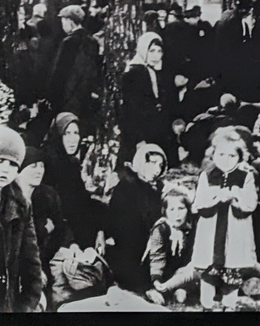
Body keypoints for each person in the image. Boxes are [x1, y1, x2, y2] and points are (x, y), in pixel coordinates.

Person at [0, 126, 43, 313]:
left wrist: (26, 305)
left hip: (6, 305)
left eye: (13, 164)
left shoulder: (20, 205)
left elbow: (32, 265)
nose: (6, 169)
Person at [190, 127, 259, 309]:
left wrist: (236, 196)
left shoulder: (246, 177)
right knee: (208, 269)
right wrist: (215, 197)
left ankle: (229, 305)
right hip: (211, 230)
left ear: (240, 157)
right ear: (213, 155)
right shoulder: (207, 176)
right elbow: (198, 203)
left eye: (231, 156)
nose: (226, 160)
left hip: (234, 231)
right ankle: (207, 304)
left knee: (232, 269)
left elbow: (251, 203)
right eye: (221, 155)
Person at [102, 141, 166, 294]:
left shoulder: (154, 188)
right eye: (152, 163)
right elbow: (123, 231)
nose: (156, 169)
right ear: (141, 162)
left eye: (160, 165)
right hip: (128, 251)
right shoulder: (127, 187)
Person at [118, 30, 178, 165]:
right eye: (151, 51)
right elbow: (130, 110)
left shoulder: (159, 72)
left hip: (158, 131)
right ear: (143, 50)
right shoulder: (134, 74)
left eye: (159, 51)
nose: (156, 56)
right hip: (141, 132)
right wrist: (138, 138)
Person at [40, 112, 97, 247]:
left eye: (76, 133)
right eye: (67, 133)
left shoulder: (71, 164)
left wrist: (100, 230)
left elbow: (83, 203)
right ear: (58, 135)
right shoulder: (47, 164)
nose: (73, 139)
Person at [14, 146, 74, 265]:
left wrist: (71, 245)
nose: (39, 171)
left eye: (41, 166)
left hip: (49, 259)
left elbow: (61, 227)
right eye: (33, 166)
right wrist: (45, 230)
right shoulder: (10, 197)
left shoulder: (48, 195)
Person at [48, 6, 103, 128]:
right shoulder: (92, 41)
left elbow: (59, 72)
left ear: (69, 20)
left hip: (68, 96)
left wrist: (52, 97)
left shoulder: (69, 42)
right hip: (86, 96)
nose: (62, 25)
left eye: (63, 21)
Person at [145, 188, 198, 305]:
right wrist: (156, 279)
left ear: (188, 210)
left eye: (181, 209)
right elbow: (157, 256)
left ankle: (181, 289)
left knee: (193, 273)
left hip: (184, 271)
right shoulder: (161, 229)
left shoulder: (192, 228)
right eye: (172, 209)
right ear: (165, 211)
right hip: (163, 270)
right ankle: (159, 290)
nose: (177, 214)